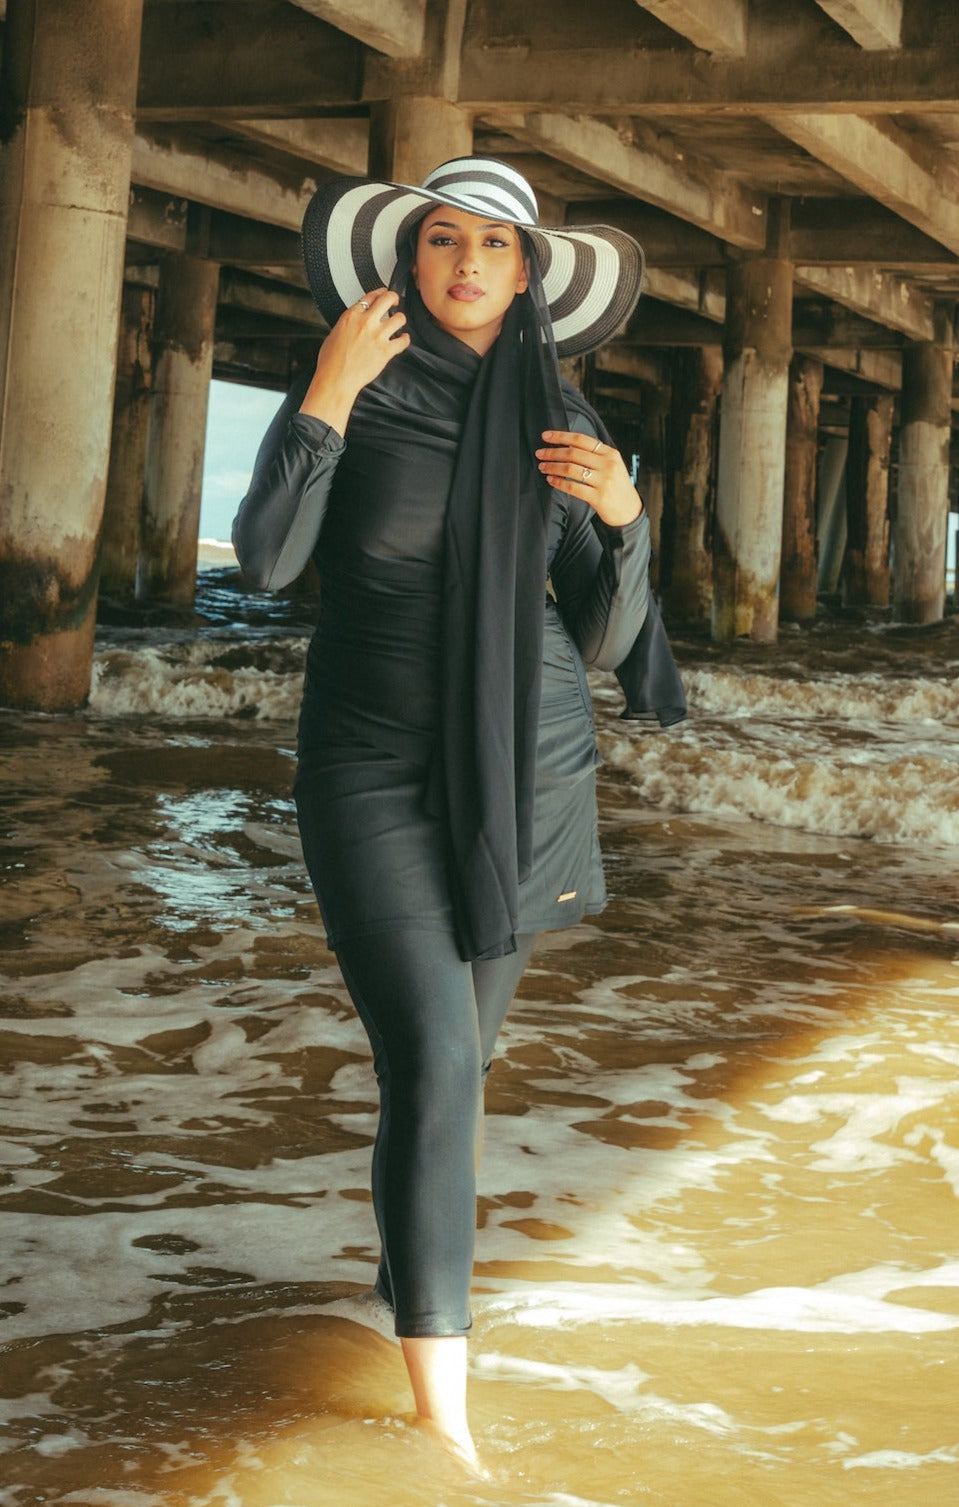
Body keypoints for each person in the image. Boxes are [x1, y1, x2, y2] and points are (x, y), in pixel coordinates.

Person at [233, 156, 682, 1471]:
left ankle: (406, 1284)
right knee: (436, 1062)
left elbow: (605, 636)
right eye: (443, 239)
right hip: (368, 764)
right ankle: (446, 1427)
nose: (469, 263)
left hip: (527, 769)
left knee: (453, 1069)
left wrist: (626, 516)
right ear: (408, 259)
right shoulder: (353, 384)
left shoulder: (561, 414)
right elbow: (266, 559)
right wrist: (326, 396)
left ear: (528, 270)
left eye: (495, 244)